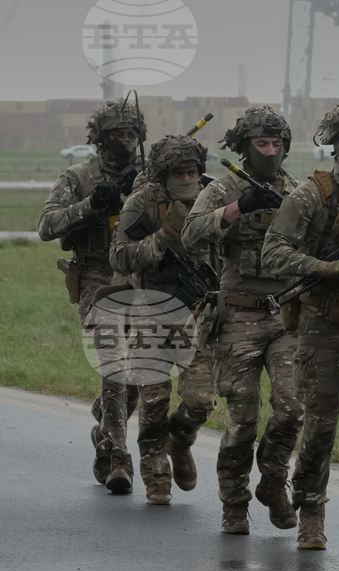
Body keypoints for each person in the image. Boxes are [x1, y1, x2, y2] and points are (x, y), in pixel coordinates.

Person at [261, 99, 339, 550]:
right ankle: (311, 511)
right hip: (322, 324)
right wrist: (323, 268)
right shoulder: (310, 195)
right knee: (319, 425)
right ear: (338, 143)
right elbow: (273, 253)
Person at [183, 106, 302, 534]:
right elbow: (191, 234)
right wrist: (238, 208)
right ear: (244, 147)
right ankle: (234, 501)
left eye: (277, 144)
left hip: (287, 314)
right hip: (238, 315)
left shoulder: (297, 189)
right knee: (243, 419)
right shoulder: (226, 188)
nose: (270, 151)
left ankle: (273, 480)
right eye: (261, 144)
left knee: (292, 407)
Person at [38, 99, 145, 494]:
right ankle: (119, 456)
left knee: (136, 376)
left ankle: (104, 424)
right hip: (96, 279)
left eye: (131, 133)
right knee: (114, 364)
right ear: (100, 138)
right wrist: (94, 202)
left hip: (141, 278)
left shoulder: (147, 176)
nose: (125, 140)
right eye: (117, 134)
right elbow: (47, 225)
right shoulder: (78, 176)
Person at [110, 135, 217, 505]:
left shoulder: (213, 197)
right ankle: (156, 476)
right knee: (153, 405)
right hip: (151, 312)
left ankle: (180, 440)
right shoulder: (141, 203)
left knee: (201, 401)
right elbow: (121, 259)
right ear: (162, 174)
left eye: (192, 171)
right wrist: (163, 237)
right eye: (178, 172)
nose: (187, 178)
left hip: (200, 315)